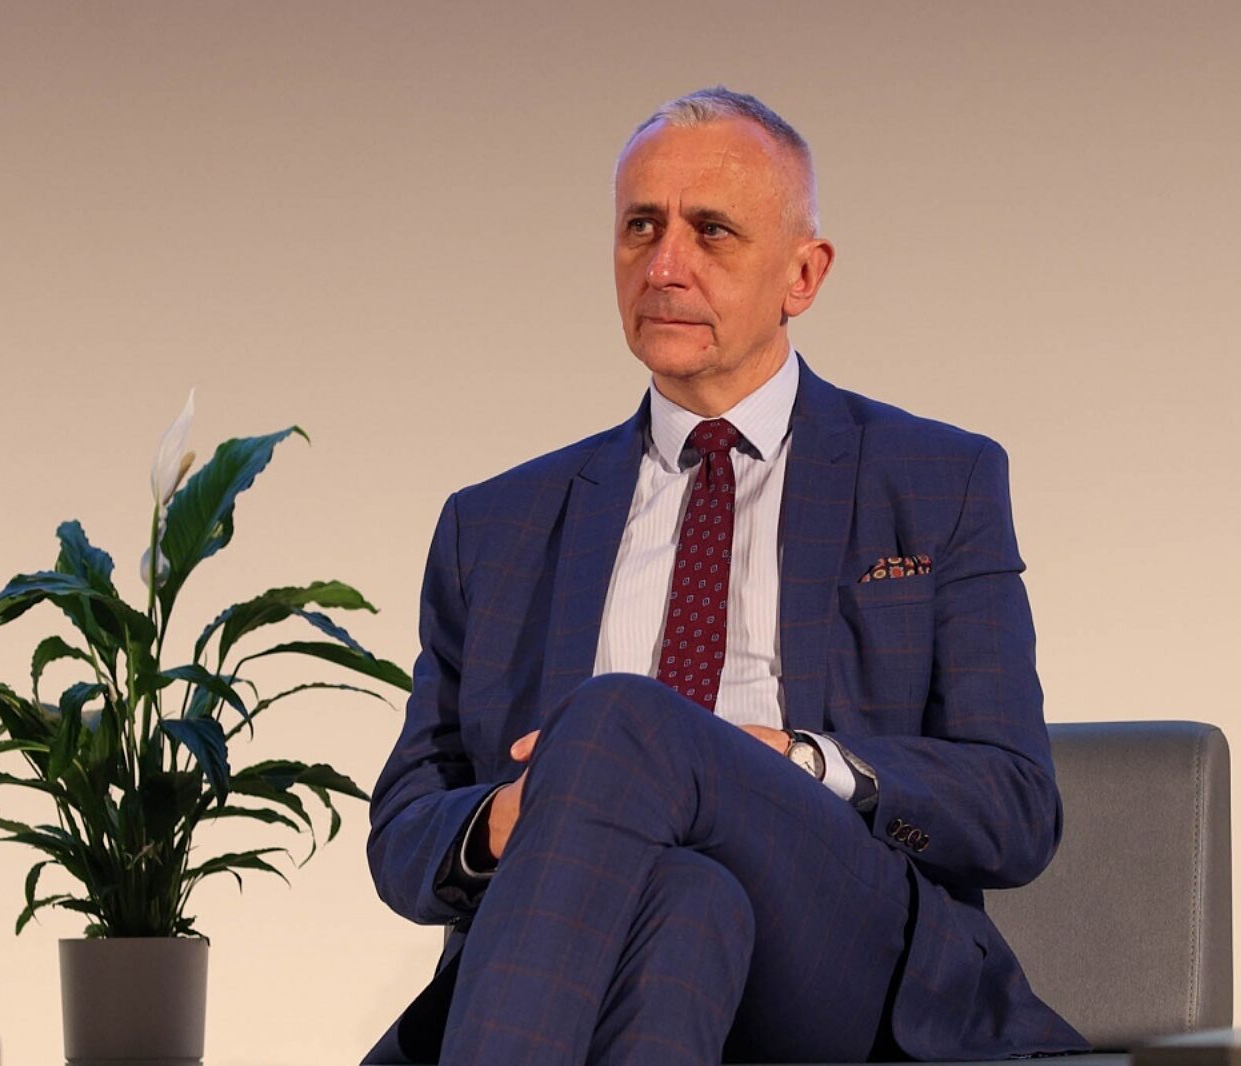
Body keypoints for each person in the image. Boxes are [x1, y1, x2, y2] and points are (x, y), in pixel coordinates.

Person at [363, 87, 1087, 1065]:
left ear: (803, 274)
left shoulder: (936, 481)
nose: (664, 265)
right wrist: (512, 816)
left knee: (617, 721)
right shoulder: (494, 526)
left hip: (847, 951)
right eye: (640, 227)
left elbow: (1015, 805)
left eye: (710, 231)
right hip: (617, 934)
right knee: (685, 898)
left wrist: (797, 761)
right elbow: (405, 826)